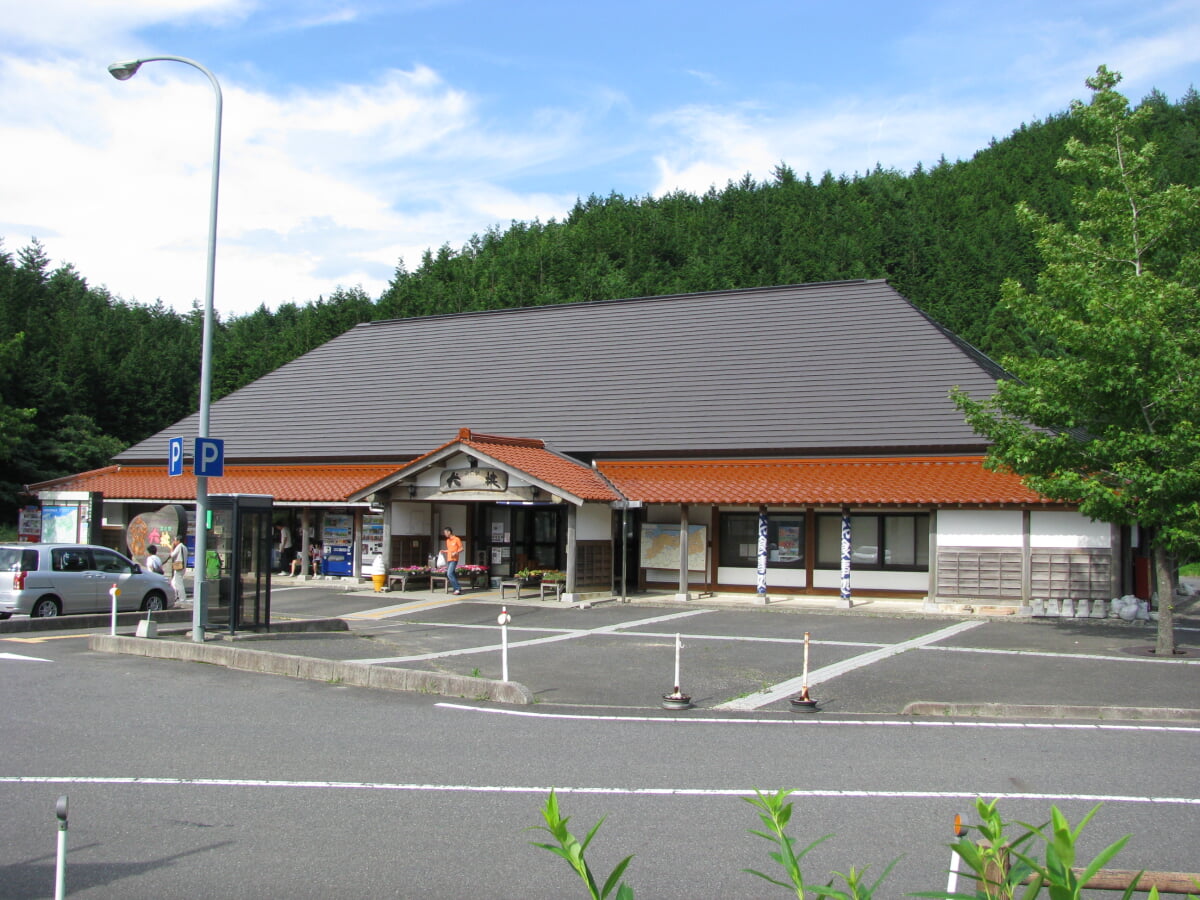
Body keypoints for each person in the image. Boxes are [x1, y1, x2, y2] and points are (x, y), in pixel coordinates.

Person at [441, 527, 464, 595]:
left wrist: (456, 552)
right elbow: (450, 550)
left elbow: (462, 548)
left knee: (449, 573)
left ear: (449, 532)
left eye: (445, 532)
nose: (445, 534)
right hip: (449, 558)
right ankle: (456, 589)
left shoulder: (457, 539)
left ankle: (457, 588)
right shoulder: (448, 541)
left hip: (454, 559)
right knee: (452, 574)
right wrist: (444, 551)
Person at [168, 536, 187, 601]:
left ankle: (182, 598)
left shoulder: (179, 547)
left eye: (175, 540)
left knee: (179, 583)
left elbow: (172, 555)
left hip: (179, 567)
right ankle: (175, 596)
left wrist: (172, 548)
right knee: (173, 582)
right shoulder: (184, 547)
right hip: (182, 567)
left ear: (178, 541)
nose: (174, 542)